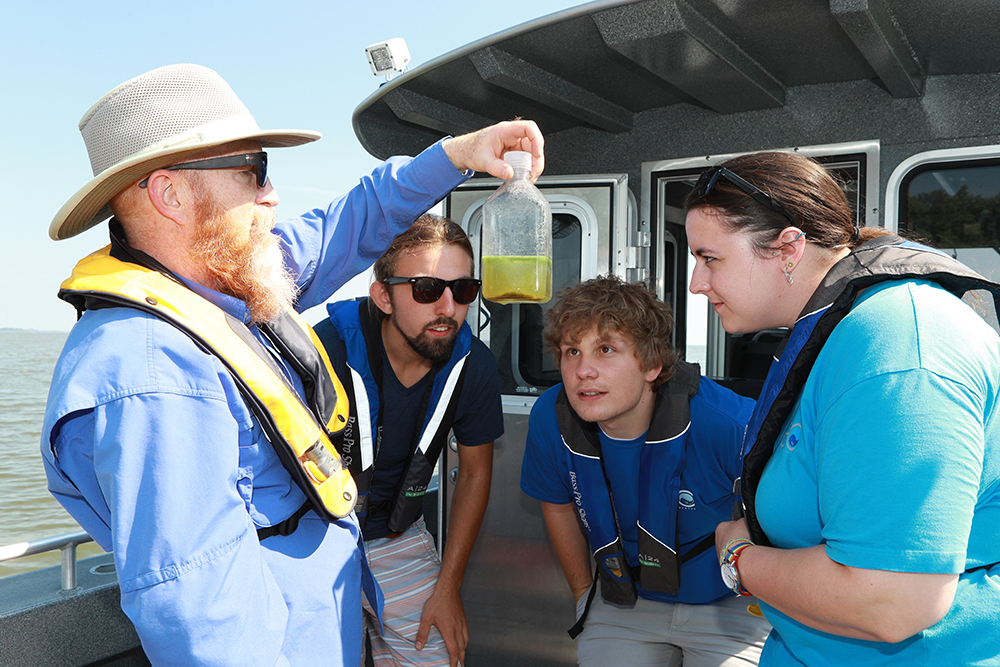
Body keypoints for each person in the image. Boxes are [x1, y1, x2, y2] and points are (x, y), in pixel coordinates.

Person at [39, 63, 543, 666]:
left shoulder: (225, 293)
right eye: (254, 172)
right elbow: (206, 624)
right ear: (171, 194)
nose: (272, 193)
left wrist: (455, 154)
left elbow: (346, 226)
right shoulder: (155, 375)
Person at [684, 151, 1000, 666]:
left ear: (788, 246)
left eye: (710, 258)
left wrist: (738, 558)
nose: (696, 283)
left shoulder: (899, 345)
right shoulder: (840, 331)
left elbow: (890, 601)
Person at [519, 275, 771, 666]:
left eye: (605, 349)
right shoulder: (552, 420)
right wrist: (585, 592)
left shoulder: (732, 426)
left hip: (732, 605)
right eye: (571, 352)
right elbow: (556, 503)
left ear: (652, 364)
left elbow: (794, 521)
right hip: (624, 602)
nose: (583, 370)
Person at [313, 214, 501, 667]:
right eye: (426, 290)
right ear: (383, 296)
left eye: (463, 290)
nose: (448, 306)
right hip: (314, 535)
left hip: (397, 535)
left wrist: (448, 588)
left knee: (441, 653)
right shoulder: (323, 353)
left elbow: (475, 474)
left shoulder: (473, 366)